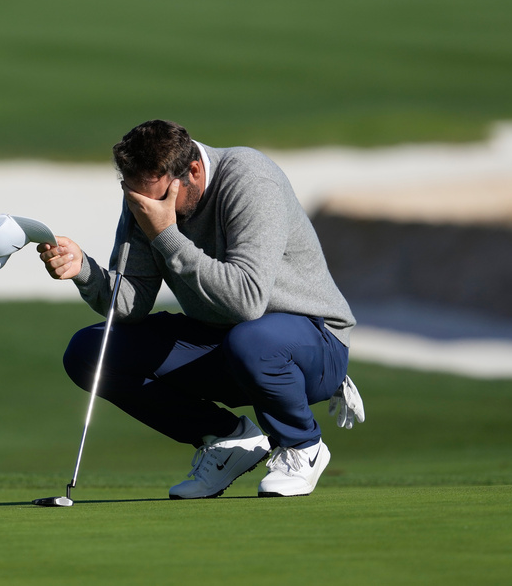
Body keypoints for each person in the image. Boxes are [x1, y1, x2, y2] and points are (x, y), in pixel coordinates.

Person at [37, 119, 364, 498]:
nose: (147, 209)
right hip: (225, 342)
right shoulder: (144, 200)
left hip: (311, 344)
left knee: (253, 341)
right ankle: (227, 439)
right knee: (89, 352)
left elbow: (247, 300)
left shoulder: (250, 180)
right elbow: (131, 304)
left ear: (191, 172)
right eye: (134, 198)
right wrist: (85, 271)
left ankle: (302, 445)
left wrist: (166, 236)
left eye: (158, 199)